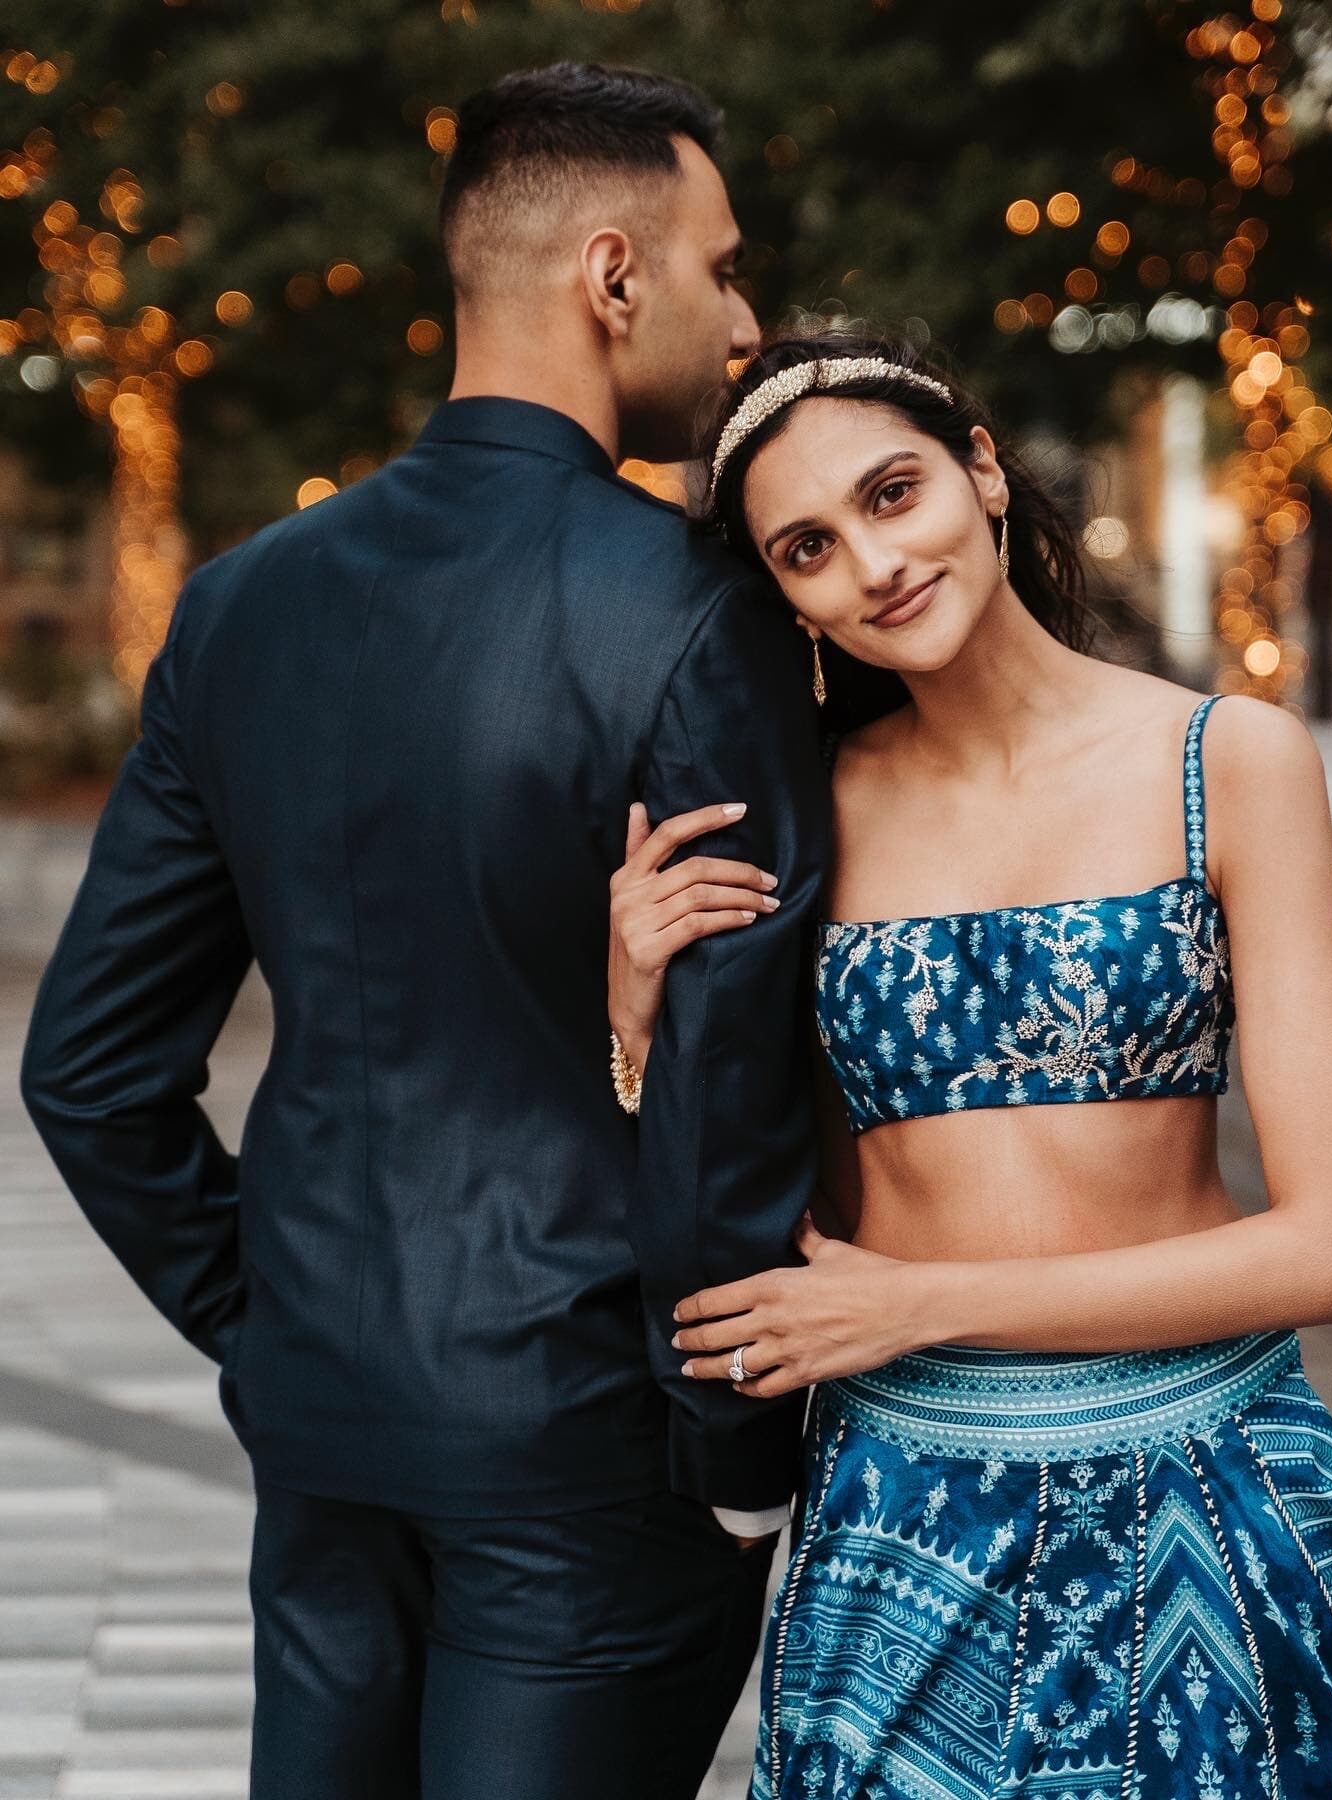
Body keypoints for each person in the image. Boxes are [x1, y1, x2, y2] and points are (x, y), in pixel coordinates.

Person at [21, 64, 830, 1800]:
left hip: (326, 1414)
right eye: (722, 265)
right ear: (614, 277)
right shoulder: (703, 611)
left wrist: (263, 1315)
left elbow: (88, 1069)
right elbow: (727, 1072)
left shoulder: (240, 606)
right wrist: (744, 1450)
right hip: (598, 1445)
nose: (744, 315)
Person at [607, 327, 1332, 1800]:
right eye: (807, 547)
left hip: (1208, 1484)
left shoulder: (1226, 762)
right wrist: (635, 1002)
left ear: (983, 471)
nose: (871, 563)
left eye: (892, 493)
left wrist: (927, 1302)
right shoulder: (805, 811)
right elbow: (739, 1145)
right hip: (905, 1508)